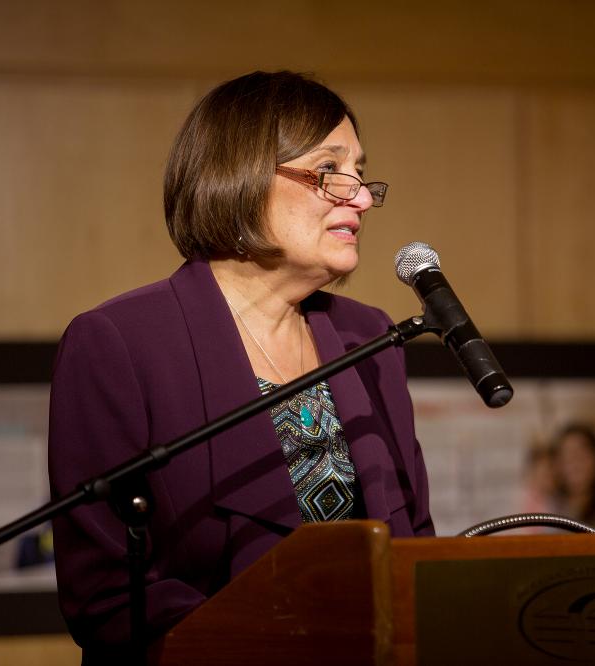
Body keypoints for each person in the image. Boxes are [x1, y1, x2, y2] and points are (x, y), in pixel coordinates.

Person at [47, 71, 434, 660]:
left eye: (360, 173)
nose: (359, 197)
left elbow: (415, 537)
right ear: (242, 175)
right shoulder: (120, 343)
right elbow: (107, 596)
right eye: (331, 170)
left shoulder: (371, 335)